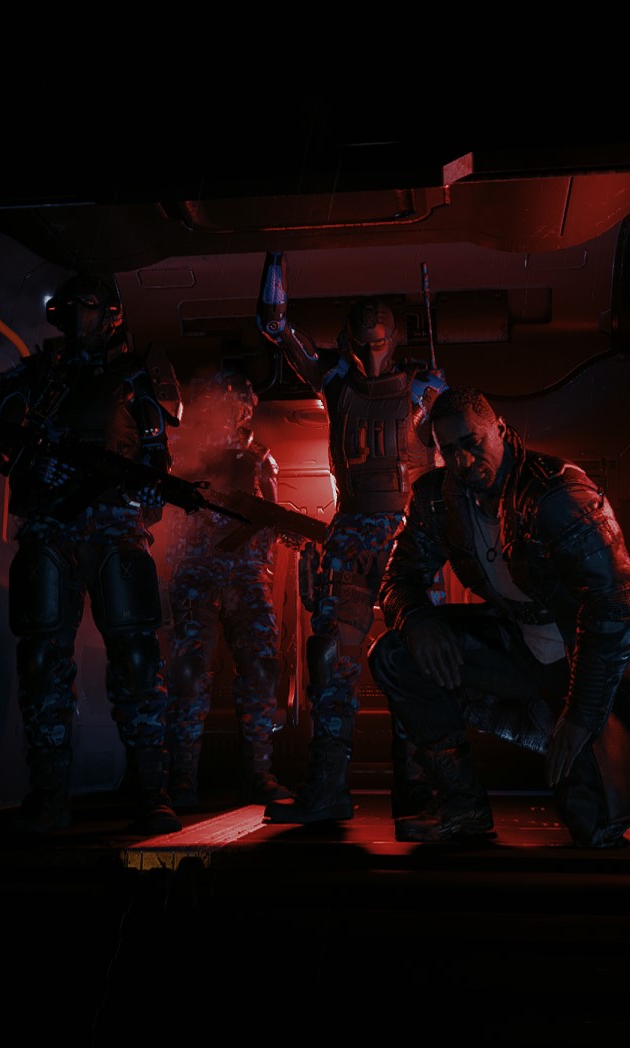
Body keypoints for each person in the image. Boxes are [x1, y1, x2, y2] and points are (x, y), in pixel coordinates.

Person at [367, 386, 630, 847]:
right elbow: (396, 578)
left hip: (585, 651)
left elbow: (617, 606)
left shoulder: (557, 492)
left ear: (499, 430)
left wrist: (580, 716)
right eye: (449, 450)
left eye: (472, 443)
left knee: (598, 825)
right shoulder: (437, 500)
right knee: (394, 654)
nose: (462, 461)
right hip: (520, 650)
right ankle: (463, 806)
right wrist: (417, 619)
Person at [0, 271, 183, 836]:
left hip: (115, 525)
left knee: (138, 661)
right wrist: (33, 462)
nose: (79, 316)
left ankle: (152, 794)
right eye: (72, 305)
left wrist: (148, 489)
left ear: (111, 314)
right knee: (42, 661)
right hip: (50, 525)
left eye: (89, 305)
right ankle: (49, 798)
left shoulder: (135, 378)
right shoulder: (35, 376)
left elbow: (157, 457)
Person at [254, 251, 446, 824]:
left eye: (376, 344)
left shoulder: (423, 390)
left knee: (415, 662)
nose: (369, 353)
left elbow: (455, 460)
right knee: (332, 658)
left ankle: (416, 786)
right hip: (354, 533)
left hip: (407, 536)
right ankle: (330, 786)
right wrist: (274, 261)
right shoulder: (338, 380)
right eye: (363, 344)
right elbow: (274, 326)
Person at [160, 369, 302, 809]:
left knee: (261, 668)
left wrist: (276, 537)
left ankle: (258, 775)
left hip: (245, 573)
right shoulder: (181, 453)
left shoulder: (260, 459)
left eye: (241, 405)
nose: (235, 413)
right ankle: (182, 780)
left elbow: (272, 519)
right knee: (188, 672)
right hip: (196, 571)